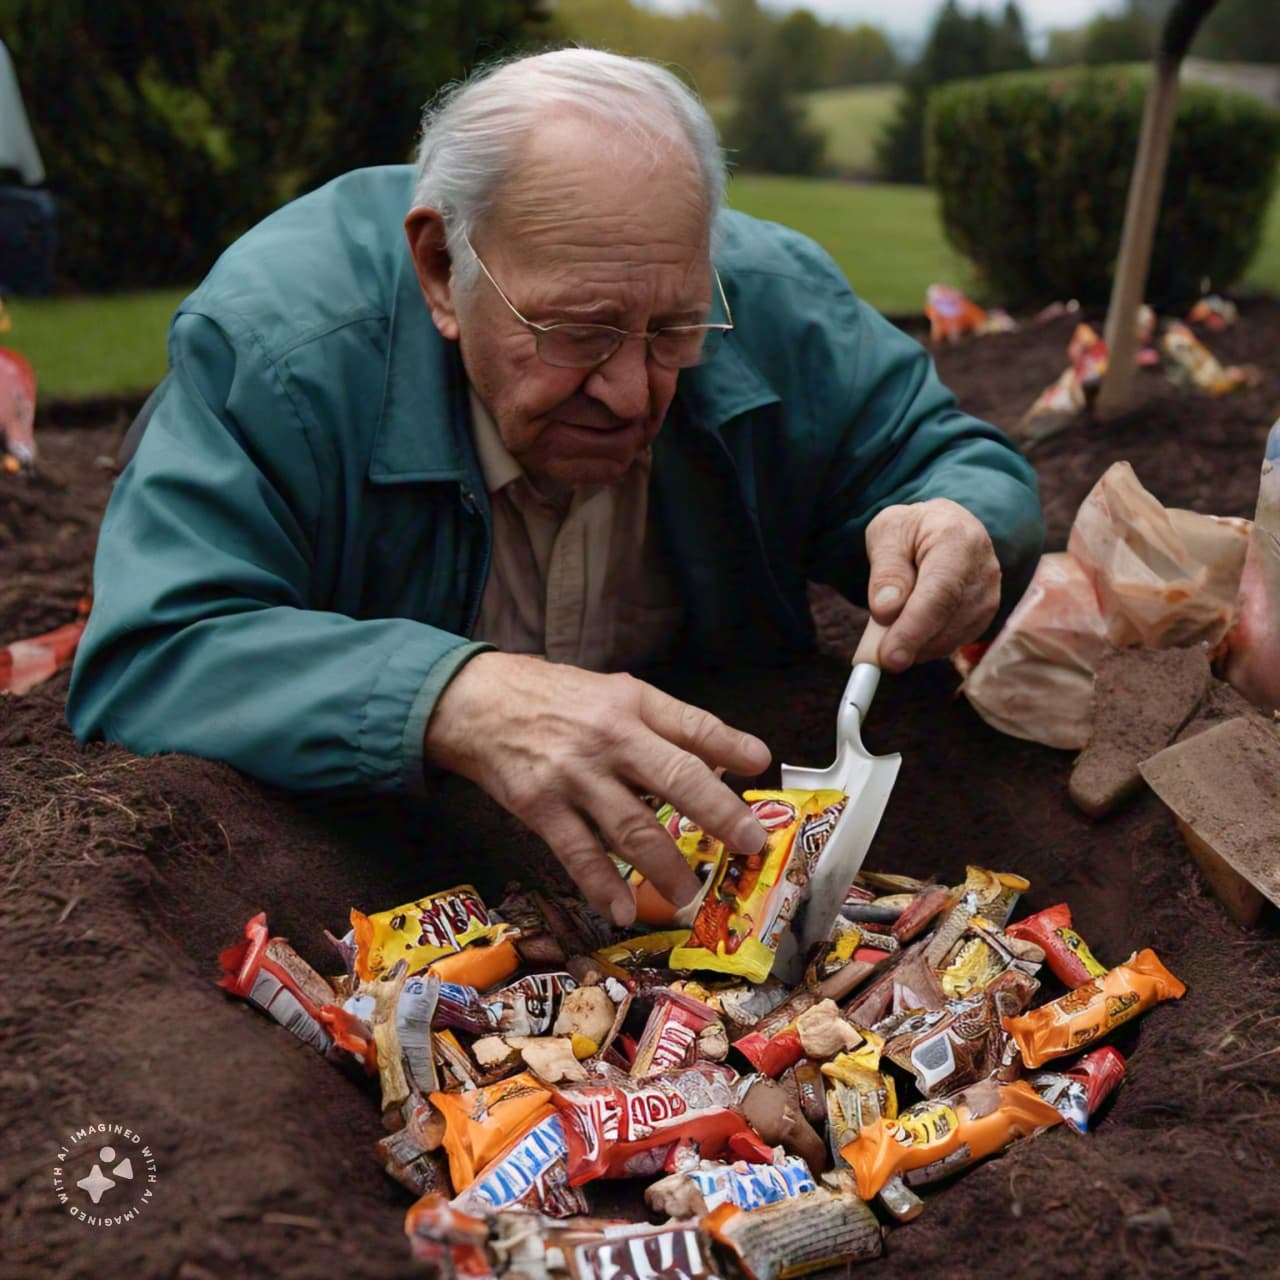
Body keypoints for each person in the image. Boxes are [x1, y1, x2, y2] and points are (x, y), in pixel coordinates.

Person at [67, 48, 1043, 926]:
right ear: (442, 271)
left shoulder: (773, 304)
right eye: (575, 331)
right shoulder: (281, 354)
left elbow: (950, 461)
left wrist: (963, 521)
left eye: (672, 332)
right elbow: (155, 646)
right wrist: (451, 694)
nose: (627, 392)